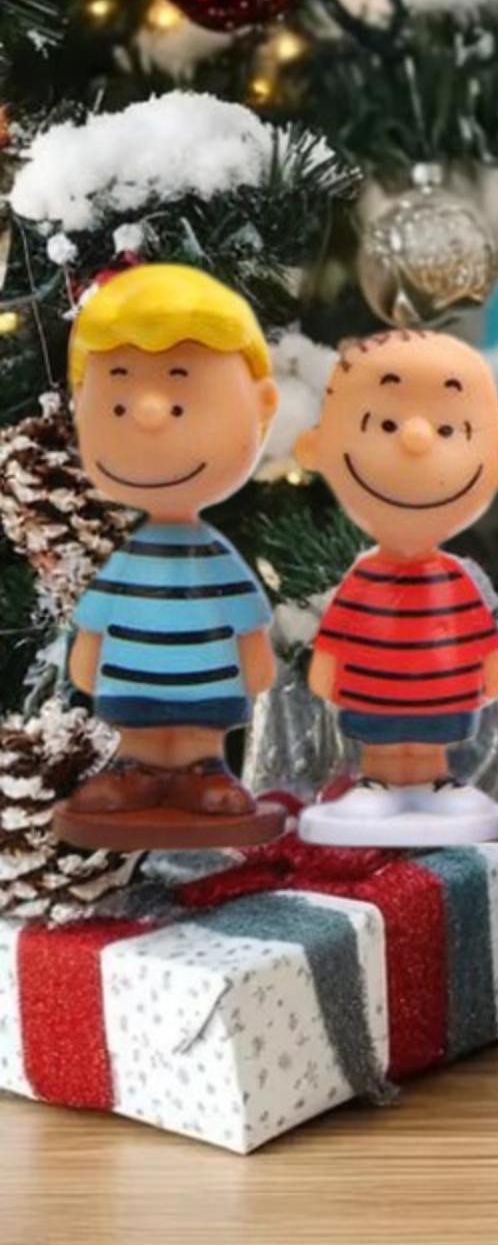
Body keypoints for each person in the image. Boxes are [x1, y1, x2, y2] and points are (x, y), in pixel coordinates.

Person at [57, 264, 284, 849]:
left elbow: (247, 620)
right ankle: (133, 769)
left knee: (197, 732)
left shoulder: (215, 557)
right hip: (129, 688)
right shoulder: (128, 560)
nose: (150, 413)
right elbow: (95, 621)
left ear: (262, 405)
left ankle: (202, 771)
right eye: (116, 404)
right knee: (136, 728)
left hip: (207, 691)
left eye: (183, 401)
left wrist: (255, 660)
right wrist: (88, 655)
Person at [294, 328, 498, 845]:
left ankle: (434, 780)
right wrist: (326, 669)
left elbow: (479, 633)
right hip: (372, 698)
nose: (416, 438)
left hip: (443, 698)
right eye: (385, 424)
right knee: (382, 739)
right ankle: (378, 781)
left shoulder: (454, 580)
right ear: (317, 448)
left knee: (429, 741)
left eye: (450, 429)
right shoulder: (364, 578)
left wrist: (489, 672)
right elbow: (337, 632)